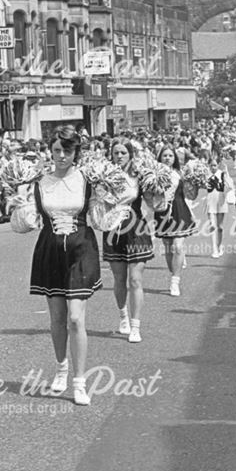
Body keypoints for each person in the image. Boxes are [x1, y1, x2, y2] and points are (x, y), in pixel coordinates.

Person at [10, 125, 103, 405]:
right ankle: (61, 368)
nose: (61, 155)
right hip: (50, 250)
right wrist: (20, 203)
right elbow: (24, 224)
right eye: (56, 150)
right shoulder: (40, 182)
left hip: (81, 248)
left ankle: (79, 382)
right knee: (58, 318)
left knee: (76, 318)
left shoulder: (88, 180)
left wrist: (111, 204)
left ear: (76, 152)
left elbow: (99, 218)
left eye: (67, 150)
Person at [100, 139, 154, 343]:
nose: (119, 156)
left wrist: (155, 190)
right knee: (119, 278)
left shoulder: (139, 176)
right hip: (113, 228)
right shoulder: (104, 176)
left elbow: (152, 201)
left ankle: (136, 325)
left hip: (136, 228)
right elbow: (98, 202)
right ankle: (123, 317)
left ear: (130, 155)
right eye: (116, 153)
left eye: (123, 152)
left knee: (135, 279)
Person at [152, 145, 196, 297]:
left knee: (178, 246)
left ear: (175, 158)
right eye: (164, 155)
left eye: (170, 156)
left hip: (179, 210)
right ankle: (174, 272)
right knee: (168, 246)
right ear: (160, 158)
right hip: (163, 212)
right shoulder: (154, 173)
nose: (167, 158)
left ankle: (175, 281)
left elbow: (188, 194)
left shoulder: (179, 173)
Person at [203, 154, 232, 258]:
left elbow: (230, 186)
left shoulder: (222, 174)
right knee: (213, 226)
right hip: (210, 202)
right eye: (211, 165)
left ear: (218, 165)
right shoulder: (206, 175)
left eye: (215, 165)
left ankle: (220, 246)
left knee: (220, 227)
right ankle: (214, 249)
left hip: (221, 202)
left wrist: (226, 172)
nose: (213, 167)